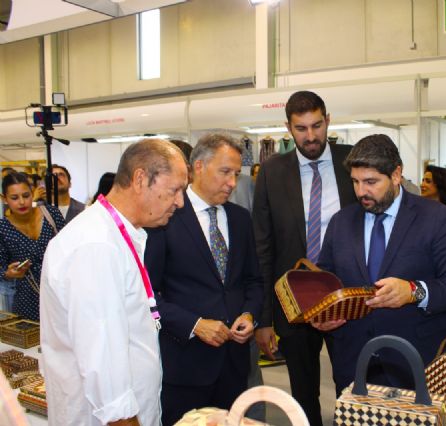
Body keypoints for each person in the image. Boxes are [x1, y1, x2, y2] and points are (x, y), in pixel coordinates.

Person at [40, 138, 188, 425]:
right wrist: (125, 419)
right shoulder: (97, 246)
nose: (180, 202)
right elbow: (102, 362)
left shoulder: (117, 234)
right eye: (175, 190)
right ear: (140, 179)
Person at [314, 134, 446, 394]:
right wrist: (322, 314)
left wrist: (413, 292)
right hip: (353, 363)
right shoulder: (341, 222)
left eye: (371, 182)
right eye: (355, 182)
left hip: (418, 365)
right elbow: (326, 280)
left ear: (397, 174)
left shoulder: (436, 219)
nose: (361, 192)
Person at [252, 90, 357, 426]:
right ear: (288, 127)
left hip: (346, 296)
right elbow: (263, 246)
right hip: (294, 301)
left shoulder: (352, 162)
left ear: (328, 120)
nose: (310, 136)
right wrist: (265, 319)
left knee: (353, 387)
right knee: (303, 392)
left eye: (316, 125)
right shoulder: (271, 172)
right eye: (301, 128)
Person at [145, 133, 263, 426]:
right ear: (198, 166)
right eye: (225, 172)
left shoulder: (239, 219)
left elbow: (254, 280)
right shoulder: (166, 218)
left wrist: (250, 314)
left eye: (236, 174)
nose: (232, 183)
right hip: (185, 365)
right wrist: (195, 325)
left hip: (234, 366)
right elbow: (148, 295)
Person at [0, 172, 65, 320]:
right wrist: (8, 273)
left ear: (33, 193)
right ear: (5, 199)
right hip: (27, 298)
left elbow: (70, 247)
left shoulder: (51, 214)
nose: (22, 202)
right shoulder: (3, 228)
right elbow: (2, 268)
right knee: (33, 340)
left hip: (59, 292)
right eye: (14, 198)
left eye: (26, 195)